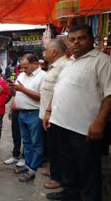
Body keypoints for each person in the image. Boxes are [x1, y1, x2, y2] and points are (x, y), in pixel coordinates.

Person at [43, 25, 111, 201]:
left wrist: (100, 121)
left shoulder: (103, 61)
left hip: (84, 127)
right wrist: (49, 111)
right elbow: (58, 89)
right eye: (72, 39)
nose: (76, 42)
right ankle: (70, 194)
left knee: (88, 170)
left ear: (92, 39)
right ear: (68, 42)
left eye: (81, 38)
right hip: (60, 123)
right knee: (68, 165)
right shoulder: (69, 62)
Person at [7, 53, 46, 182]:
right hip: (21, 113)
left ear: (35, 63)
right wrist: (12, 88)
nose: (23, 70)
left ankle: (33, 169)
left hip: (35, 113)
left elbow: (42, 97)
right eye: (22, 67)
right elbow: (16, 93)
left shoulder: (43, 77)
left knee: (36, 142)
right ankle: (28, 165)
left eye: (26, 67)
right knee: (26, 142)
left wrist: (22, 89)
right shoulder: (22, 75)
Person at [39, 39, 68, 190]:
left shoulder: (64, 66)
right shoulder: (54, 66)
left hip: (56, 116)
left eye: (45, 50)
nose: (43, 53)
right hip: (48, 114)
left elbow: (59, 93)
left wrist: (49, 112)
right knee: (52, 146)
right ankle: (54, 170)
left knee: (58, 147)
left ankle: (58, 177)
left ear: (55, 51)